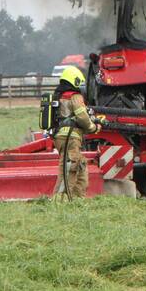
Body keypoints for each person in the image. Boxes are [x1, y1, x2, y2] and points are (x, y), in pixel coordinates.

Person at [52, 66, 101, 199]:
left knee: (80, 166)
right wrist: (93, 127)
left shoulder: (58, 96)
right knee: (69, 169)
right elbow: (82, 117)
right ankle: (59, 200)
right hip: (71, 138)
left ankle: (78, 198)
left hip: (61, 137)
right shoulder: (74, 97)